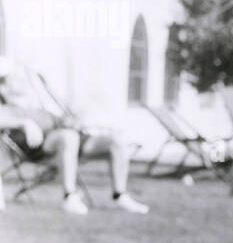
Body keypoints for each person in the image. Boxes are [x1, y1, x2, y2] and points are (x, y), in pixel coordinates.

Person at [0, 56, 148, 215]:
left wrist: (73, 120)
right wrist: (24, 123)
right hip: (45, 149)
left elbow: (63, 119)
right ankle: (68, 196)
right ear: (3, 87)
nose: (22, 80)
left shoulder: (34, 101)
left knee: (115, 141)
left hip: (70, 141)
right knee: (68, 137)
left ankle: (120, 195)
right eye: (14, 78)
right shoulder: (6, 108)